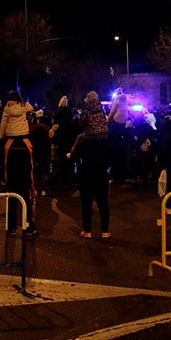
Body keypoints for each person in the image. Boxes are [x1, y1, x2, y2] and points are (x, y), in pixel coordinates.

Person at [69, 91, 111, 238]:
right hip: (101, 173)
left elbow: (75, 156)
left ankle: (87, 230)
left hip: (87, 173)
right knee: (103, 202)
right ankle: (105, 231)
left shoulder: (84, 141)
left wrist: (72, 156)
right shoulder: (101, 110)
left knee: (86, 202)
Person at [0, 90, 36, 235]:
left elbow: (3, 124)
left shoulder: (7, 109)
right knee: (26, 190)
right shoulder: (24, 107)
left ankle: (11, 226)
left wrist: (1, 137)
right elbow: (31, 107)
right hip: (24, 142)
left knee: (12, 189)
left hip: (10, 142)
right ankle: (28, 225)